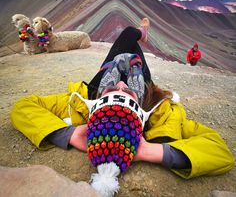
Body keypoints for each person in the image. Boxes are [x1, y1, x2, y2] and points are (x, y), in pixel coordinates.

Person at [11, 18, 234, 181]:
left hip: (103, 78)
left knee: (125, 40)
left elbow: (23, 108)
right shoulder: (160, 113)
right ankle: (139, 33)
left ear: (96, 104)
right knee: (131, 45)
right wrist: (147, 151)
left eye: (114, 92)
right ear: (141, 110)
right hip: (141, 82)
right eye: (125, 93)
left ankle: (136, 35)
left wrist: (68, 135)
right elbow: (220, 151)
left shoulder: (86, 97)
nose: (120, 84)